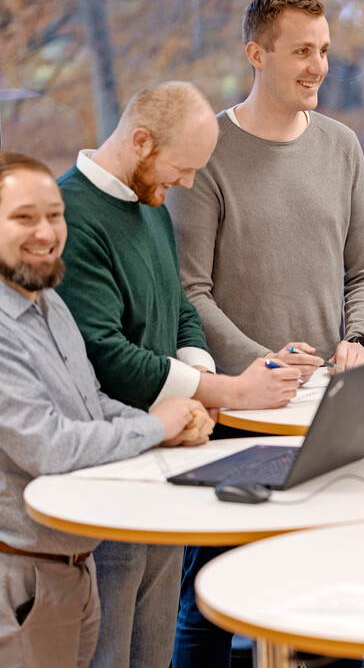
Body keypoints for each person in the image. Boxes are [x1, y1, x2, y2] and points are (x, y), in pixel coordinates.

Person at [164, 0, 364, 668]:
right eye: (300, 51)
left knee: (332, 586)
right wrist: (261, 365)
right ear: (256, 54)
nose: (316, 66)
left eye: (322, 51)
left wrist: (361, 339)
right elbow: (188, 291)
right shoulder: (208, 152)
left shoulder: (341, 146)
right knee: (210, 592)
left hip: (328, 412)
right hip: (240, 411)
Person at [55, 81, 300, 668]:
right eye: (181, 168)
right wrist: (230, 391)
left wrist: (198, 378)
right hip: (113, 468)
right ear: (141, 141)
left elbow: (180, 308)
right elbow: (106, 354)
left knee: (157, 647)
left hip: (171, 455)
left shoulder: (149, 202)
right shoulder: (70, 215)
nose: (188, 183)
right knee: (112, 648)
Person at [0, 151, 214, 668]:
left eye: (54, 215)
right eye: (24, 217)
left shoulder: (47, 304)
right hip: (23, 576)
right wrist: (155, 427)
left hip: (75, 567)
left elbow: (91, 401)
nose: (46, 232)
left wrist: (169, 426)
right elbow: (48, 445)